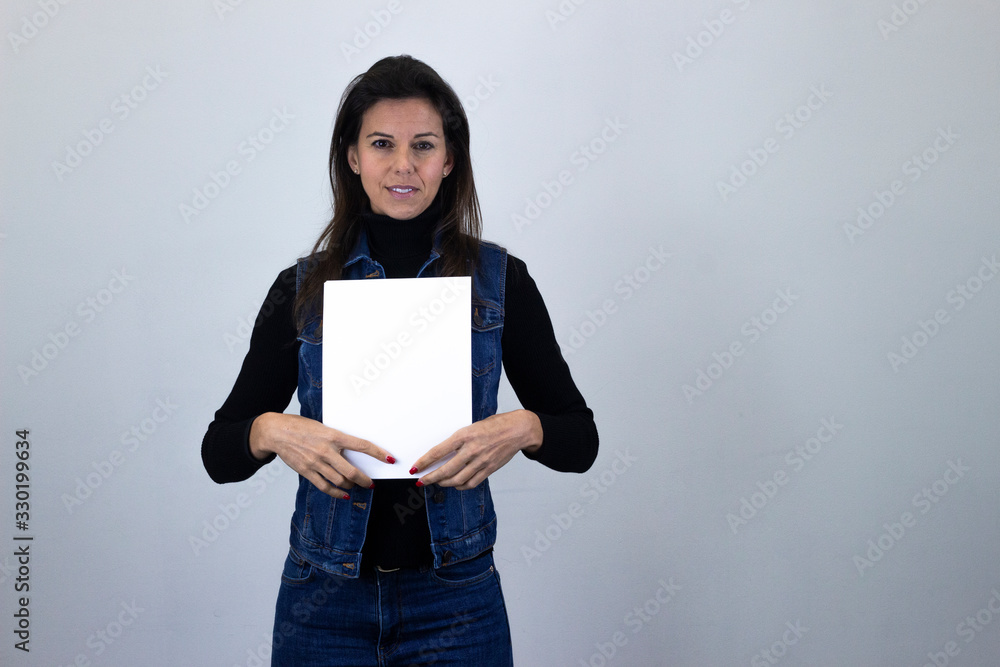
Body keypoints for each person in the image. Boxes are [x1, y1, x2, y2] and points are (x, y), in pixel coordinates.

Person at [201, 54, 598, 666]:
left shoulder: (500, 281)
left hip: (457, 601)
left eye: (423, 145)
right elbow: (219, 453)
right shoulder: (302, 289)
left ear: (449, 159)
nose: (403, 165)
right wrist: (271, 431)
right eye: (382, 144)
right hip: (323, 600)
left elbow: (581, 440)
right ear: (354, 157)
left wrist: (525, 428)